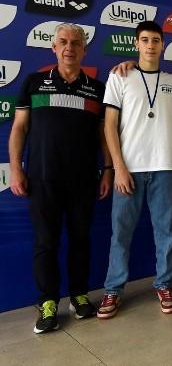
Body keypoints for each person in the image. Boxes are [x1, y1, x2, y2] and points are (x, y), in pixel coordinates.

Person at [9, 23, 112, 333]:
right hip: (42, 178)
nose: (69, 47)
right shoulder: (34, 82)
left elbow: (103, 134)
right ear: (54, 48)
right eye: (63, 42)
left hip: (83, 179)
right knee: (46, 242)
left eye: (76, 43)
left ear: (84, 50)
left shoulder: (98, 88)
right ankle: (48, 303)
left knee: (81, 240)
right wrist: (16, 168)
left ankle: (79, 296)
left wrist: (108, 169)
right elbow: (19, 128)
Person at [98, 21, 172, 319]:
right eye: (144, 40)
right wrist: (118, 167)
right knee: (121, 234)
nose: (150, 45)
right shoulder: (120, 76)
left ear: (163, 45)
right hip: (129, 170)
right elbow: (109, 126)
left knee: (166, 233)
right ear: (136, 44)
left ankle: (165, 284)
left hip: (165, 167)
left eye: (155, 40)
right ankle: (113, 289)